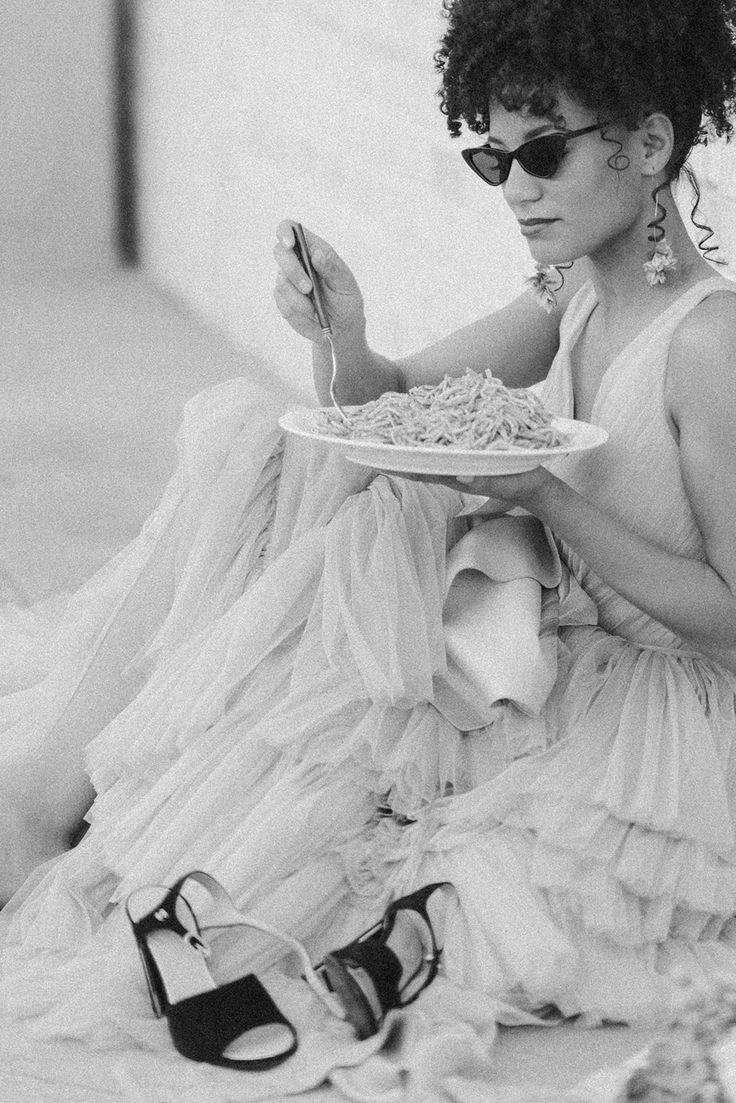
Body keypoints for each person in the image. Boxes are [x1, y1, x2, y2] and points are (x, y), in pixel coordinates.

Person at [2, 0, 736, 1088]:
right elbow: (383, 405)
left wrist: (544, 489)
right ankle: (39, 796)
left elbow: (728, 608)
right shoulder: (573, 287)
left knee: (366, 820)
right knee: (274, 452)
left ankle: (41, 806)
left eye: (541, 152)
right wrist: (341, 333)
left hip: (650, 706)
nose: (517, 189)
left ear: (648, 143)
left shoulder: (710, 340)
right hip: (534, 639)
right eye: (493, 159)